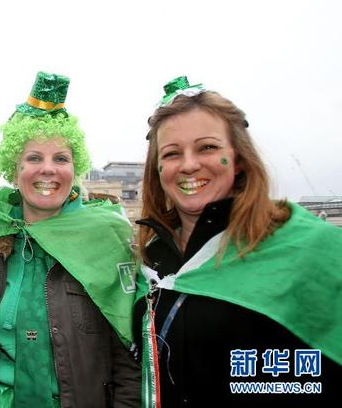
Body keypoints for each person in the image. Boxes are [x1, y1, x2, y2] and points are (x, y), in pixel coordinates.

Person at [133, 77, 342, 407]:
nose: (189, 165)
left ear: (239, 158)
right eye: (172, 153)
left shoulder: (310, 250)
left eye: (208, 148)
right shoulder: (149, 261)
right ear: (157, 170)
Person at [0, 72, 141, 408]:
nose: (48, 170)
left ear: (74, 167)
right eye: (34, 158)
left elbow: (129, 364)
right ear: (15, 168)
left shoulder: (106, 239)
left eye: (60, 159)